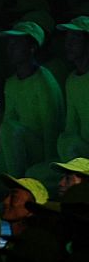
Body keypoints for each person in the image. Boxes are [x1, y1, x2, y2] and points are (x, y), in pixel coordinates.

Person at [0, 20, 65, 179]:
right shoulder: (12, 82)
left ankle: (17, 183)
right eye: (10, 43)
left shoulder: (44, 80)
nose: (11, 48)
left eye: (17, 43)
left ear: (32, 48)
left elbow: (51, 127)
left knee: (10, 128)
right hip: (21, 147)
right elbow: (9, 119)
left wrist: (48, 165)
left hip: (40, 150)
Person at [55, 15, 89, 160]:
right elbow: (71, 125)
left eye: (75, 39)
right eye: (67, 39)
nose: (68, 44)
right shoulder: (71, 80)